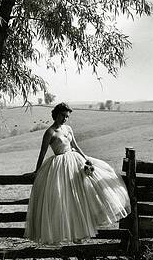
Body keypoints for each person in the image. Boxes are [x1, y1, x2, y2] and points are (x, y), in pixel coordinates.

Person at [24, 102, 131, 245]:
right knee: (66, 197)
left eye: (67, 116)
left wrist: (86, 159)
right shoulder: (50, 132)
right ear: (56, 114)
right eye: (62, 115)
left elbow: (75, 145)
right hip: (60, 165)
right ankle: (72, 232)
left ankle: (89, 223)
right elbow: (42, 153)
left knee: (85, 190)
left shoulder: (68, 128)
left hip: (75, 160)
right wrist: (37, 171)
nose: (65, 119)